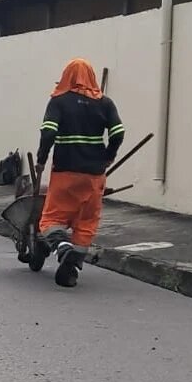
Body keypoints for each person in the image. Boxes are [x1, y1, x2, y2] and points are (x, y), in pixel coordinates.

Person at [35, 58, 124, 288]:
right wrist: (107, 156)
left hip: (65, 171)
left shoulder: (59, 101)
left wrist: (41, 160)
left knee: (50, 218)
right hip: (94, 175)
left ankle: (63, 248)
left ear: (66, 76)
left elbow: (48, 134)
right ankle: (71, 270)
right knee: (86, 222)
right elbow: (118, 132)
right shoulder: (105, 103)